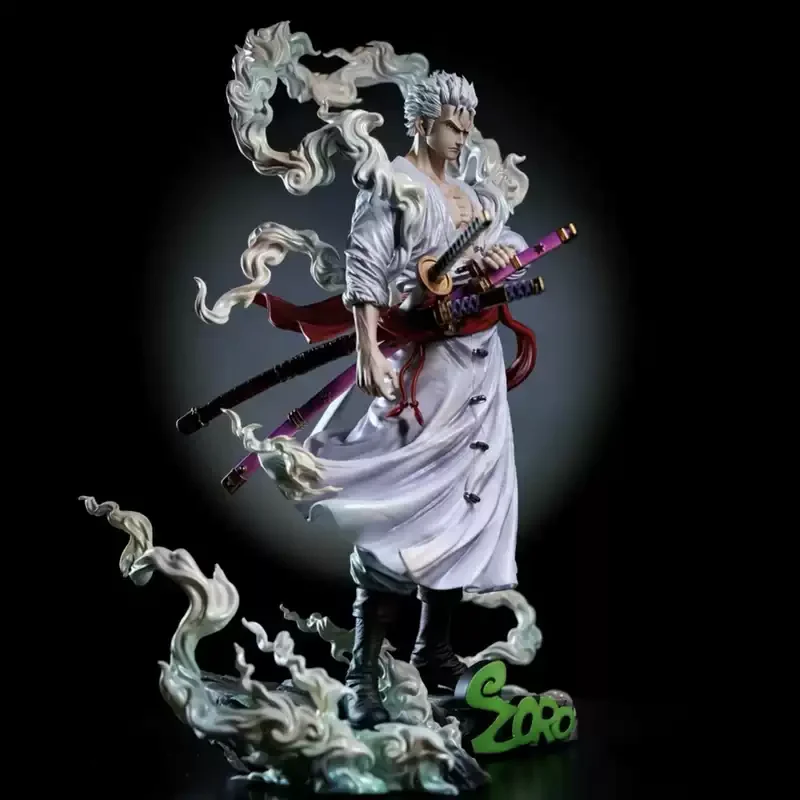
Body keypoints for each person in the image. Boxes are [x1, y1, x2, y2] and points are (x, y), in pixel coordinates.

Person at [291, 71, 537, 729]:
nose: (464, 137)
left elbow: (508, 247)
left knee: (464, 505)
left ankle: (433, 649)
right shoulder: (394, 183)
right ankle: (362, 671)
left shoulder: (470, 193)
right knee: (399, 510)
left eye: (468, 125)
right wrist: (369, 351)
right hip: (421, 374)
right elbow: (366, 265)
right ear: (425, 122)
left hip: (477, 371)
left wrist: (497, 259)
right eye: (454, 125)